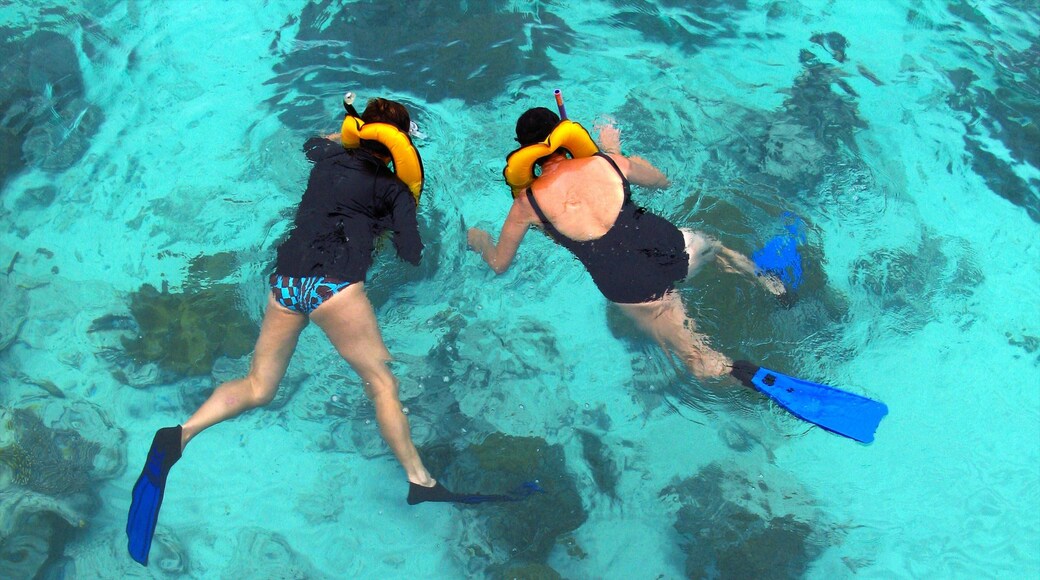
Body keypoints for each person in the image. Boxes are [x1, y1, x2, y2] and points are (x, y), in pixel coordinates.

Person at [127, 97, 463, 567]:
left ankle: (181, 434)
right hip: (336, 289)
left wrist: (343, 128)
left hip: (286, 281)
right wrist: (406, 208)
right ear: (400, 144)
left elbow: (313, 143)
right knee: (382, 382)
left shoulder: (327, 159)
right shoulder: (394, 190)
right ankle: (420, 481)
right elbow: (412, 255)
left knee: (259, 386)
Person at [467, 107, 785, 381]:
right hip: (672, 247)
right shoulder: (609, 163)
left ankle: (753, 384)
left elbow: (499, 263)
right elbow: (662, 181)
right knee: (715, 248)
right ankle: (773, 287)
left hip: (633, 289)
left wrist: (480, 241)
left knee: (697, 357)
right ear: (563, 134)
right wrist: (613, 149)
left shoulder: (527, 204)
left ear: (523, 150)